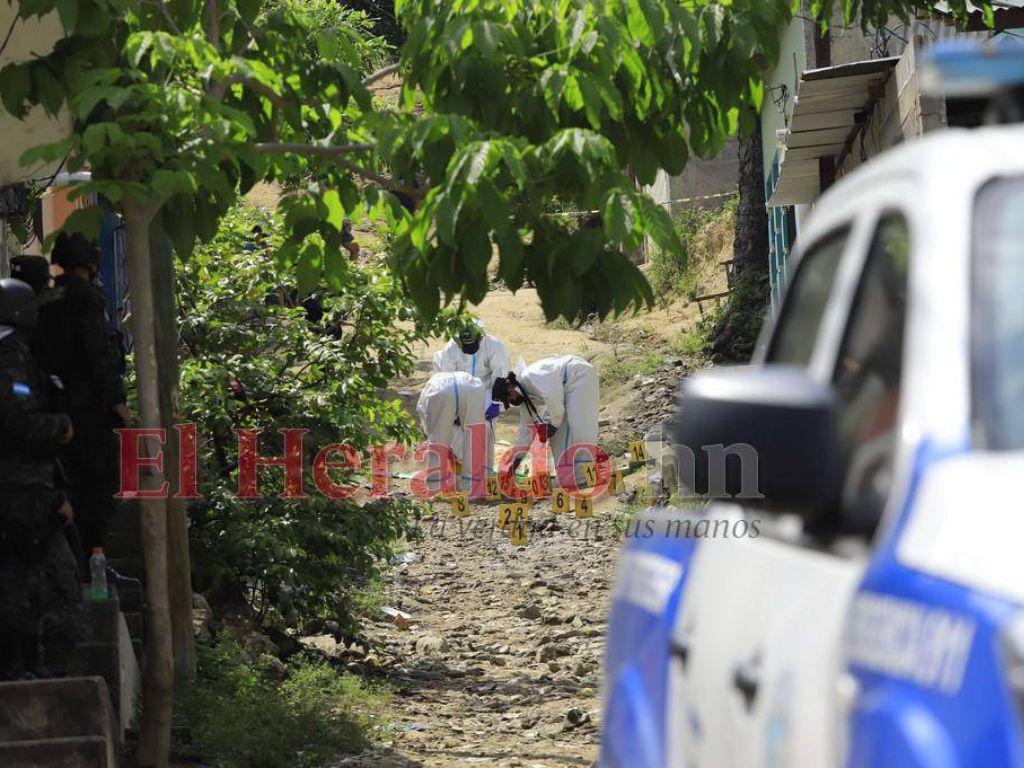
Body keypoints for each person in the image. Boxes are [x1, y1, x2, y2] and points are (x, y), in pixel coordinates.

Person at [0, 278, 84, 679]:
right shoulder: (10, 361)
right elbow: (17, 421)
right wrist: (61, 426)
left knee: (20, 587)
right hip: (23, 495)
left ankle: (26, 671)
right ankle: (47, 675)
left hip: (24, 494)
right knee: (60, 590)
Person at [33, 233, 129, 566]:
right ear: (89, 264)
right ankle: (93, 557)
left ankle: (75, 559)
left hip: (55, 408)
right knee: (100, 486)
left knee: (67, 483)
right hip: (89, 410)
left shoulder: (45, 299)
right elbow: (98, 352)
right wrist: (117, 401)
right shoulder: (87, 299)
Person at [491, 355, 600, 488]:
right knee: (558, 436)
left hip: (578, 376)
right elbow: (525, 431)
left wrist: (553, 425)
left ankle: (584, 475)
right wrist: (515, 463)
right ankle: (567, 475)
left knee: (579, 427)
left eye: (509, 399)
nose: (512, 402)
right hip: (564, 389)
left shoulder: (531, 376)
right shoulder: (526, 397)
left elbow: (554, 399)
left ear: (510, 388)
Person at [433, 320, 509, 476]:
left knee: (485, 429)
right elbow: (447, 382)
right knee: (455, 429)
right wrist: (453, 410)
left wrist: (495, 402)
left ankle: (486, 472)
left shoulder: (494, 346)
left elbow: (500, 377)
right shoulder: (450, 350)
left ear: (481, 338)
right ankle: (461, 465)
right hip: (459, 390)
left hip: (487, 390)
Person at [416, 371, 490, 493]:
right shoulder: (472, 382)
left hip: (440, 390)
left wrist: (431, 435)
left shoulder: (431, 388)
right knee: (474, 438)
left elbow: (425, 416)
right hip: (472, 389)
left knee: (437, 442)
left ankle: (435, 487)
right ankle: (473, 487)